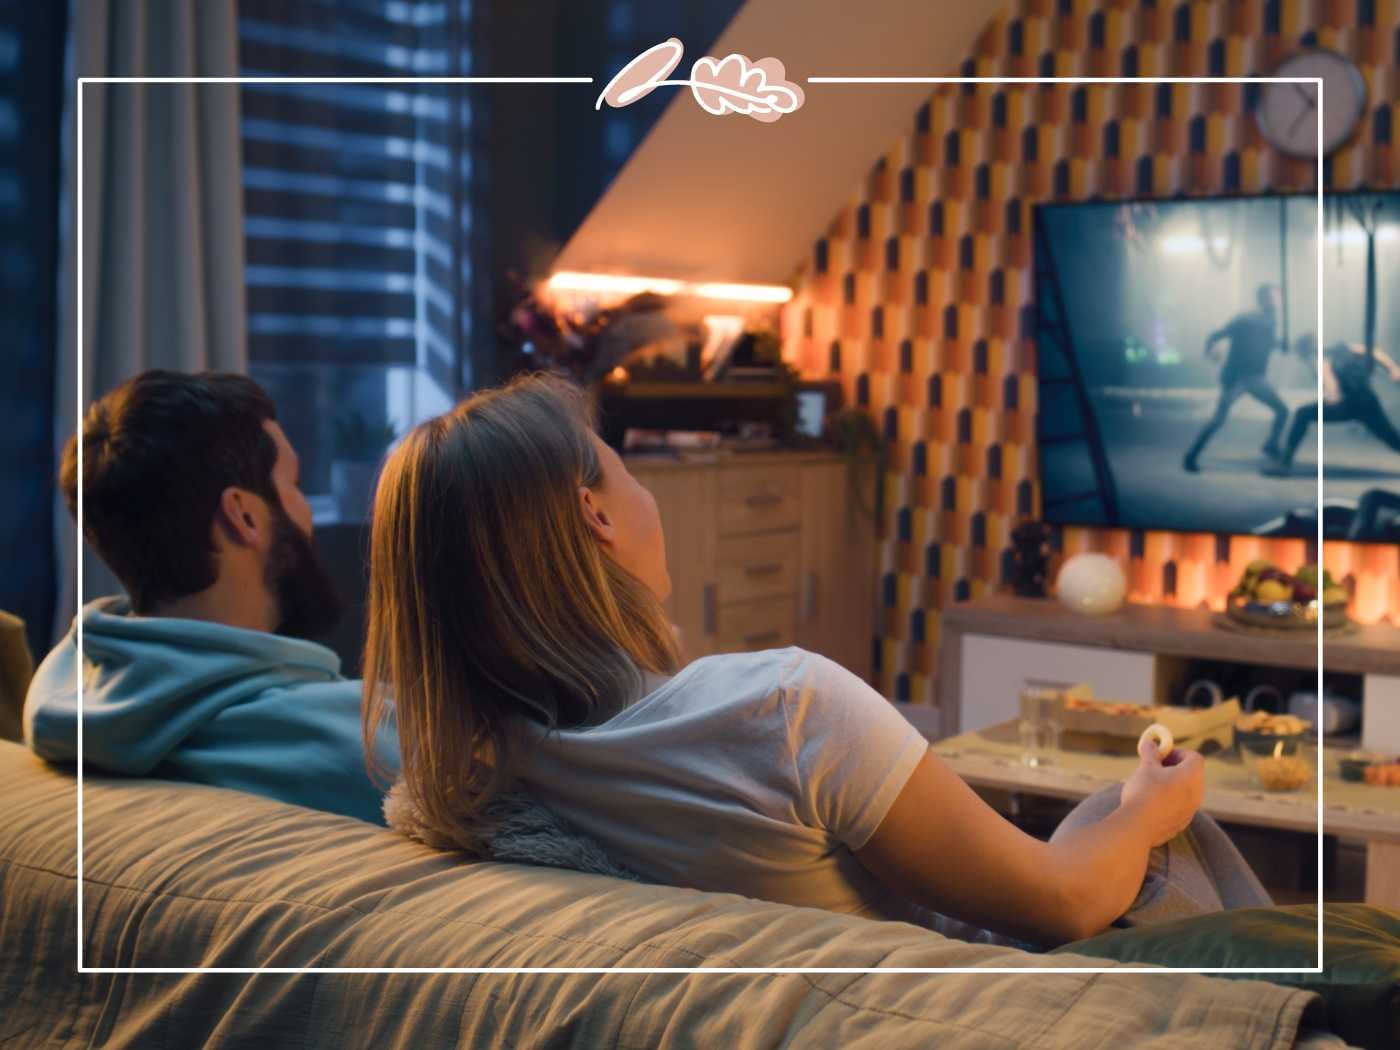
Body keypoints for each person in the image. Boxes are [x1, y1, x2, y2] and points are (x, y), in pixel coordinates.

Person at [363, 373, 1217, 948]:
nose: (646, 494)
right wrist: (1145, 814)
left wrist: (1118, 813)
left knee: (1109, 806)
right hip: (964, 994)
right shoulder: (785, 708)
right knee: (1172, 820)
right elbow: (1062, 905)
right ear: (596, 516)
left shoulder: (470, 771)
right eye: (630, 472)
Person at [24, 370, 396, 824]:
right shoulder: (366, 747)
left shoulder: (58, 694)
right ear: (244, 515)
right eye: (294, 483)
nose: (304, 510)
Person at [1182, 284, 1288, 473]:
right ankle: (1191, 455)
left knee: (1282, 411)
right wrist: (1210, 350)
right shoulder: (1245, 319)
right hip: (1237, 378)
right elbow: (1216, 335)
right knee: (1219, 418)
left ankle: (1271, 445)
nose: (1278, 301)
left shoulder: (1270, 321)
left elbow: (1268, 344)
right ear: (1263, 299)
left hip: (1256, 378)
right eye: (1274, 297)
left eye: (1279, 297)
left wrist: (1286, 345)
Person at [1270, 334, 1400, 473]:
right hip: (1367, 402)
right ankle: (1285, 462)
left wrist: (1392, 368)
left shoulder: (1325, 361)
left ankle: (1284, 464)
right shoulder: (1344, 349)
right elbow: (1375, 353)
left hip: (1352, 404)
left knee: (1302, 414)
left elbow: (1333, 393)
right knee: (1391, 438)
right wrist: (1392, 368)